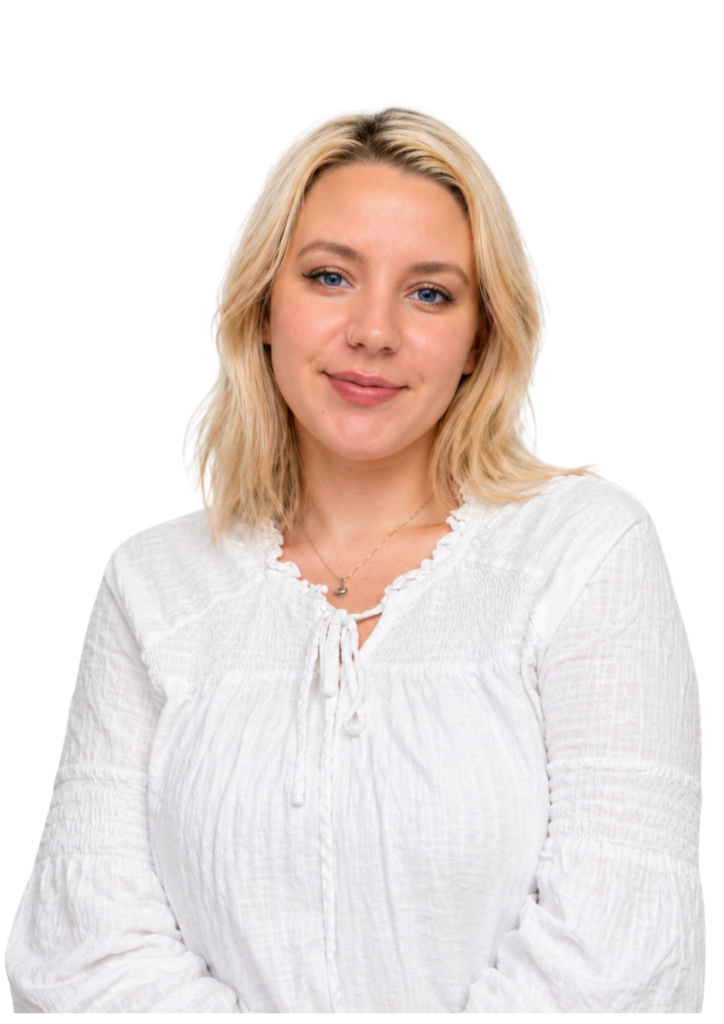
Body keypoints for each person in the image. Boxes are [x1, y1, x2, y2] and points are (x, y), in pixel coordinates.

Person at [4, 108, 704, 1013]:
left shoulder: (582, 554)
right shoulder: (155, 585)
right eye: (330, 276)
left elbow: (619, 957)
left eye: (430, 293)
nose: (374, 332)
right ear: (264, 306)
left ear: (481, 339)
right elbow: (84, 958)